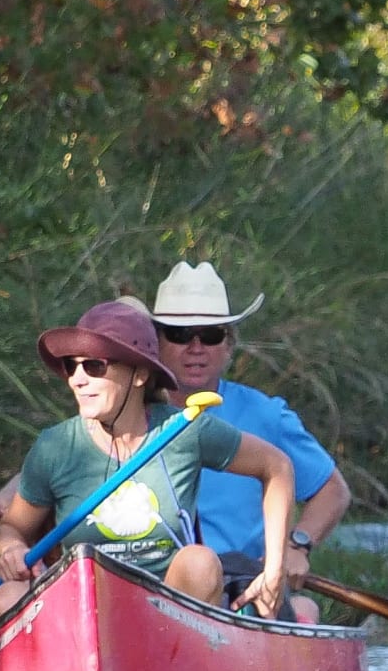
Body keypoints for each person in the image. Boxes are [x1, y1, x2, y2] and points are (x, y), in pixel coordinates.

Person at [0, 299, 294, 620]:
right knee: (7, 597)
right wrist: (10, 549)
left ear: (138, 375)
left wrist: (274, 569)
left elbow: (277, 467)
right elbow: (11, 527)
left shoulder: (184, 429)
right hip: (83, 611)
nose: (77, 379)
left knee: (200, 561)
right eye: (71, 366)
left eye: (94, 366)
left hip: (169, 612)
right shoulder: (55, 445)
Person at [148, 261, 351, 613]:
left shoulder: (265, 415)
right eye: (180, 334)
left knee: (303, 611)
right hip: (149, 581)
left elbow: (332, 490)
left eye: (210, 335)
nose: (196, 347)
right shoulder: (130, 414)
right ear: (156, 342)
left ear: (228, 345)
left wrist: (296, 545)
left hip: (240, 587)